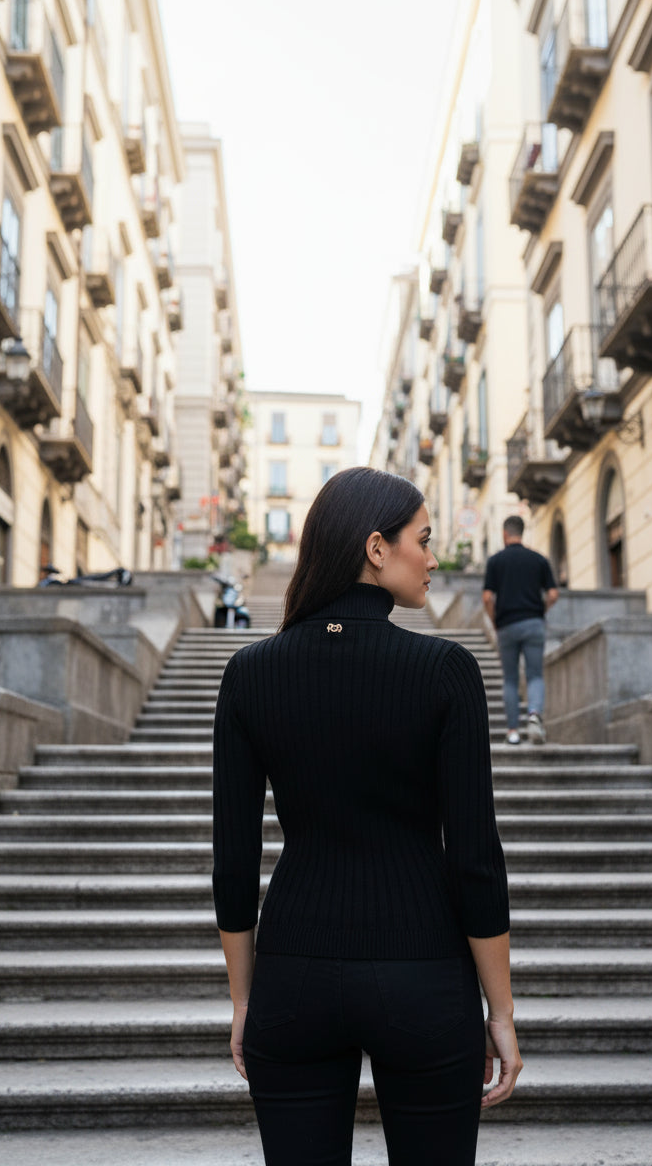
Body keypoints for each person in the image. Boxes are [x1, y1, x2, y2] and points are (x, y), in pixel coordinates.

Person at [212, 467, 522, 1166]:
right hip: (424, 974)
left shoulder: (250, 674)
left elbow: (232, 864)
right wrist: (499, 1012)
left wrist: (242, 1000)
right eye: (425, 538)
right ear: (377, 548)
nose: (436, 557)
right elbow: (474, 857)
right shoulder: (446, 671)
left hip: (294, 973)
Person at [482, 515, 559, 746]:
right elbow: (554, 594)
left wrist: (495, 621)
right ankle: (534, 715)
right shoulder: (538, 560)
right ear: (522, 532)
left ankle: (513, 731)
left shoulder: (496, 561)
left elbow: (487, 597)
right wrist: (540, 610)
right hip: (534, 623)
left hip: (507, 625)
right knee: (535, 674)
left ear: (505, 534)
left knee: (511, 679)